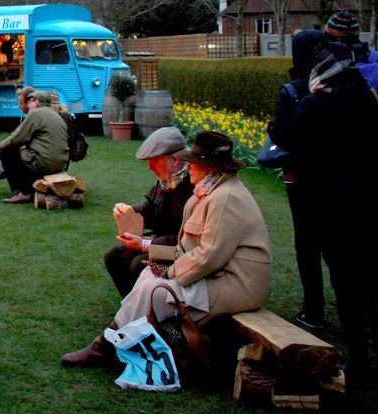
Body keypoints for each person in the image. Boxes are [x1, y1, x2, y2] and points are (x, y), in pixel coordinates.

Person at [61, 131, 272, 369]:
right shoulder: (209, 192)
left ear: (210, 168)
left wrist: (169, 272)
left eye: (194, 162)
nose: (189, 166)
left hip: (238, 284)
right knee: (148, 275)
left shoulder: (224, 198)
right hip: (217, 275)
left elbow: (209, 257)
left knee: (157, 290)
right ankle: (123, 342)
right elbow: (186, 248)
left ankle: (108, 347)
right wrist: (157, 261)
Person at [293, 47, 378, 389]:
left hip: (331, 210)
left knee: (346, 287)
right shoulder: (369, 100)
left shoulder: (313, 106)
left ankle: (359, 360)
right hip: (369, 206)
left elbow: (301, 161)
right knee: (370, 283)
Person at [266, 29, 328, 329]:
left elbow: (283, 133)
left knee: (307, 243)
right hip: (338, 177)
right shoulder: (340, 87)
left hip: (302, 176)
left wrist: (272, 128)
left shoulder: (294, 91)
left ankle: (314, 309)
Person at [104, 127, 193, 298]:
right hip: (163, 241)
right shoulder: (168, 180)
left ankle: (149, 307)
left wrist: (146, 243)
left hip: (180, 250)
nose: (150, 167)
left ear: (175, 160)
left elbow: (186, 240)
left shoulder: (192, 187)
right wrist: (129, 212)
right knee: (114, 256)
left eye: (155, 161)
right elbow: (152, 209)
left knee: (140, 263)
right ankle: (132, 304)